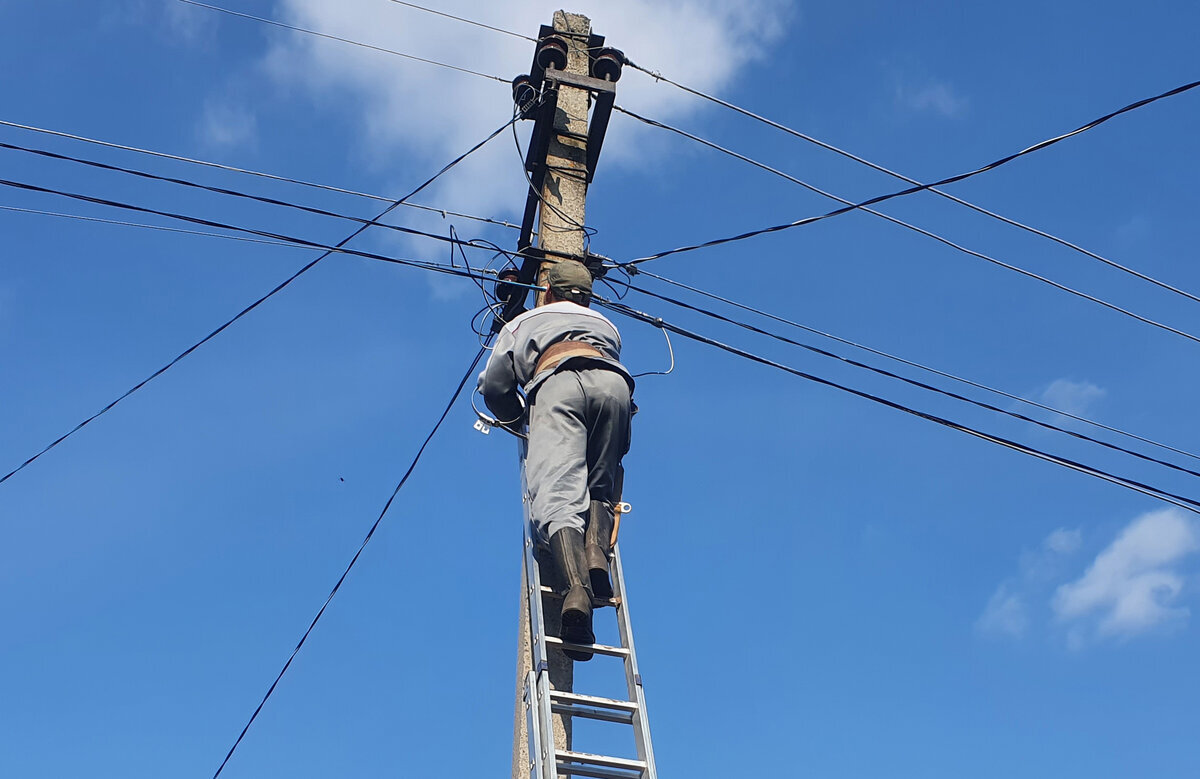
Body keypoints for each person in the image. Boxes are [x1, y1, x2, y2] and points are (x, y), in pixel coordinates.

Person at [479, 260, 634, 660]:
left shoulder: (525, 322)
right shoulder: (607, 326)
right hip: (615, 385)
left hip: (557, 385)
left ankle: (576, 593)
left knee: (558, 495)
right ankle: (596, 553)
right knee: (602, 480)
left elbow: (495, 387)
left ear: (546, 290)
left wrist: (520, 420)